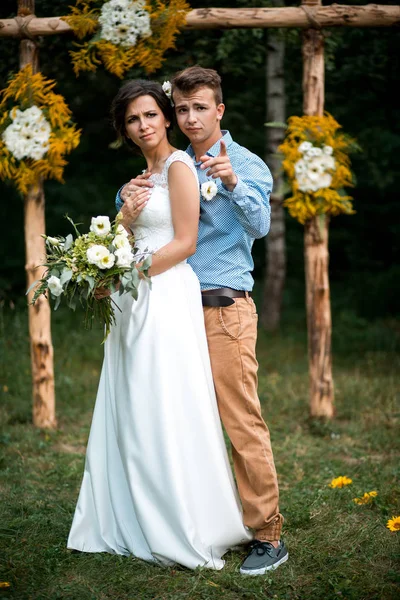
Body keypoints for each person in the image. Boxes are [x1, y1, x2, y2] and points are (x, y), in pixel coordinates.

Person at [67, 80, 252, 570]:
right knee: (133, 401)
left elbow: (187, 241)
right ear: (124, 130)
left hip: (167, 296)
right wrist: (121, 223)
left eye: (150, 115)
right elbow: (117, 234)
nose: (143, 125)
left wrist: (128, 274)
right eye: (132, 119)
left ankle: (181, 518)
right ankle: (131, 514)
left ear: (165, 118)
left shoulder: (181, 169)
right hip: (132, 304)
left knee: (167, 401)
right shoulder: (137, 181)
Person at [117, 66, 288, 576]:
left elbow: (260, 226)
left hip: (222, 308)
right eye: (183, 108)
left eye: (200, 108)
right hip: (170, 312)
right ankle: (196, 519)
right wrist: (125, 205)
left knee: (239, 420)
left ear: (220, 110)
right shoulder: (168, 163)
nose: (190, 117)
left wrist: (233, 182)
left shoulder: (249, 164)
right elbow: (144, 226)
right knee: (180, 419)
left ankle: (268, 534)